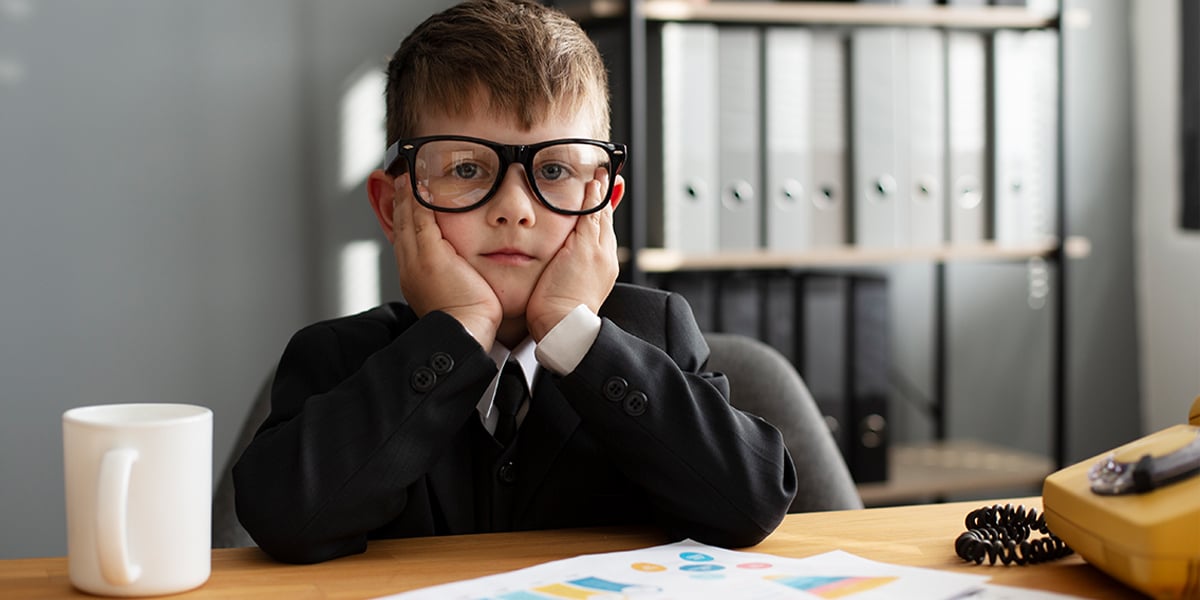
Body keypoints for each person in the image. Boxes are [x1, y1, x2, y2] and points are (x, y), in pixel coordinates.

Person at [233, 0, 796, 565]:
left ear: (601, 204)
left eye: (553, 171)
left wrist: (574, 335)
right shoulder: (336, 356)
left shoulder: (657, 333)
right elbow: (284, 521)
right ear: (393, 205)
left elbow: (750, 503)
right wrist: (458, 332)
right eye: (466, 168)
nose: (514, 209)